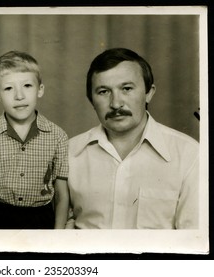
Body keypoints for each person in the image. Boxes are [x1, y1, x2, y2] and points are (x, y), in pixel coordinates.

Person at [68, 48, 199, 229]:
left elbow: (194, 242)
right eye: (104, 91)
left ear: (149, 92)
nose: (116, 104)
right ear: (91, 100)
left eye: (127, 89)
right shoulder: (67, 153)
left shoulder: (190, 154)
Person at [0, 50, 69, 229]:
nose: (19, 96)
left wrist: (58, 234)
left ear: (40, 89)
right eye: (8, 88)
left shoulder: (58, 136)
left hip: (40, 219)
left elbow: (61, 191)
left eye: (27, 86)